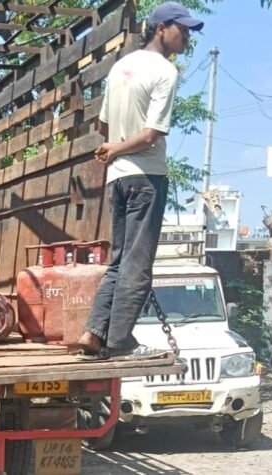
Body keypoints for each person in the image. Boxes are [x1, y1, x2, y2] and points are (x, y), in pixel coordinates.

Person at [77, 3, 204, 360]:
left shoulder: (120, 67)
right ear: (161, 28)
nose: (187, 36)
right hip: (146, 176)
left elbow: (103, 124)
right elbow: (150, 135)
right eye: (183, 29)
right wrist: (119, 148)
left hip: (117, 178)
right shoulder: (165, 71)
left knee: (119, 259)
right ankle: (120, 342)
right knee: (137, 263)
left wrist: (114, 148)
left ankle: (93, 333)